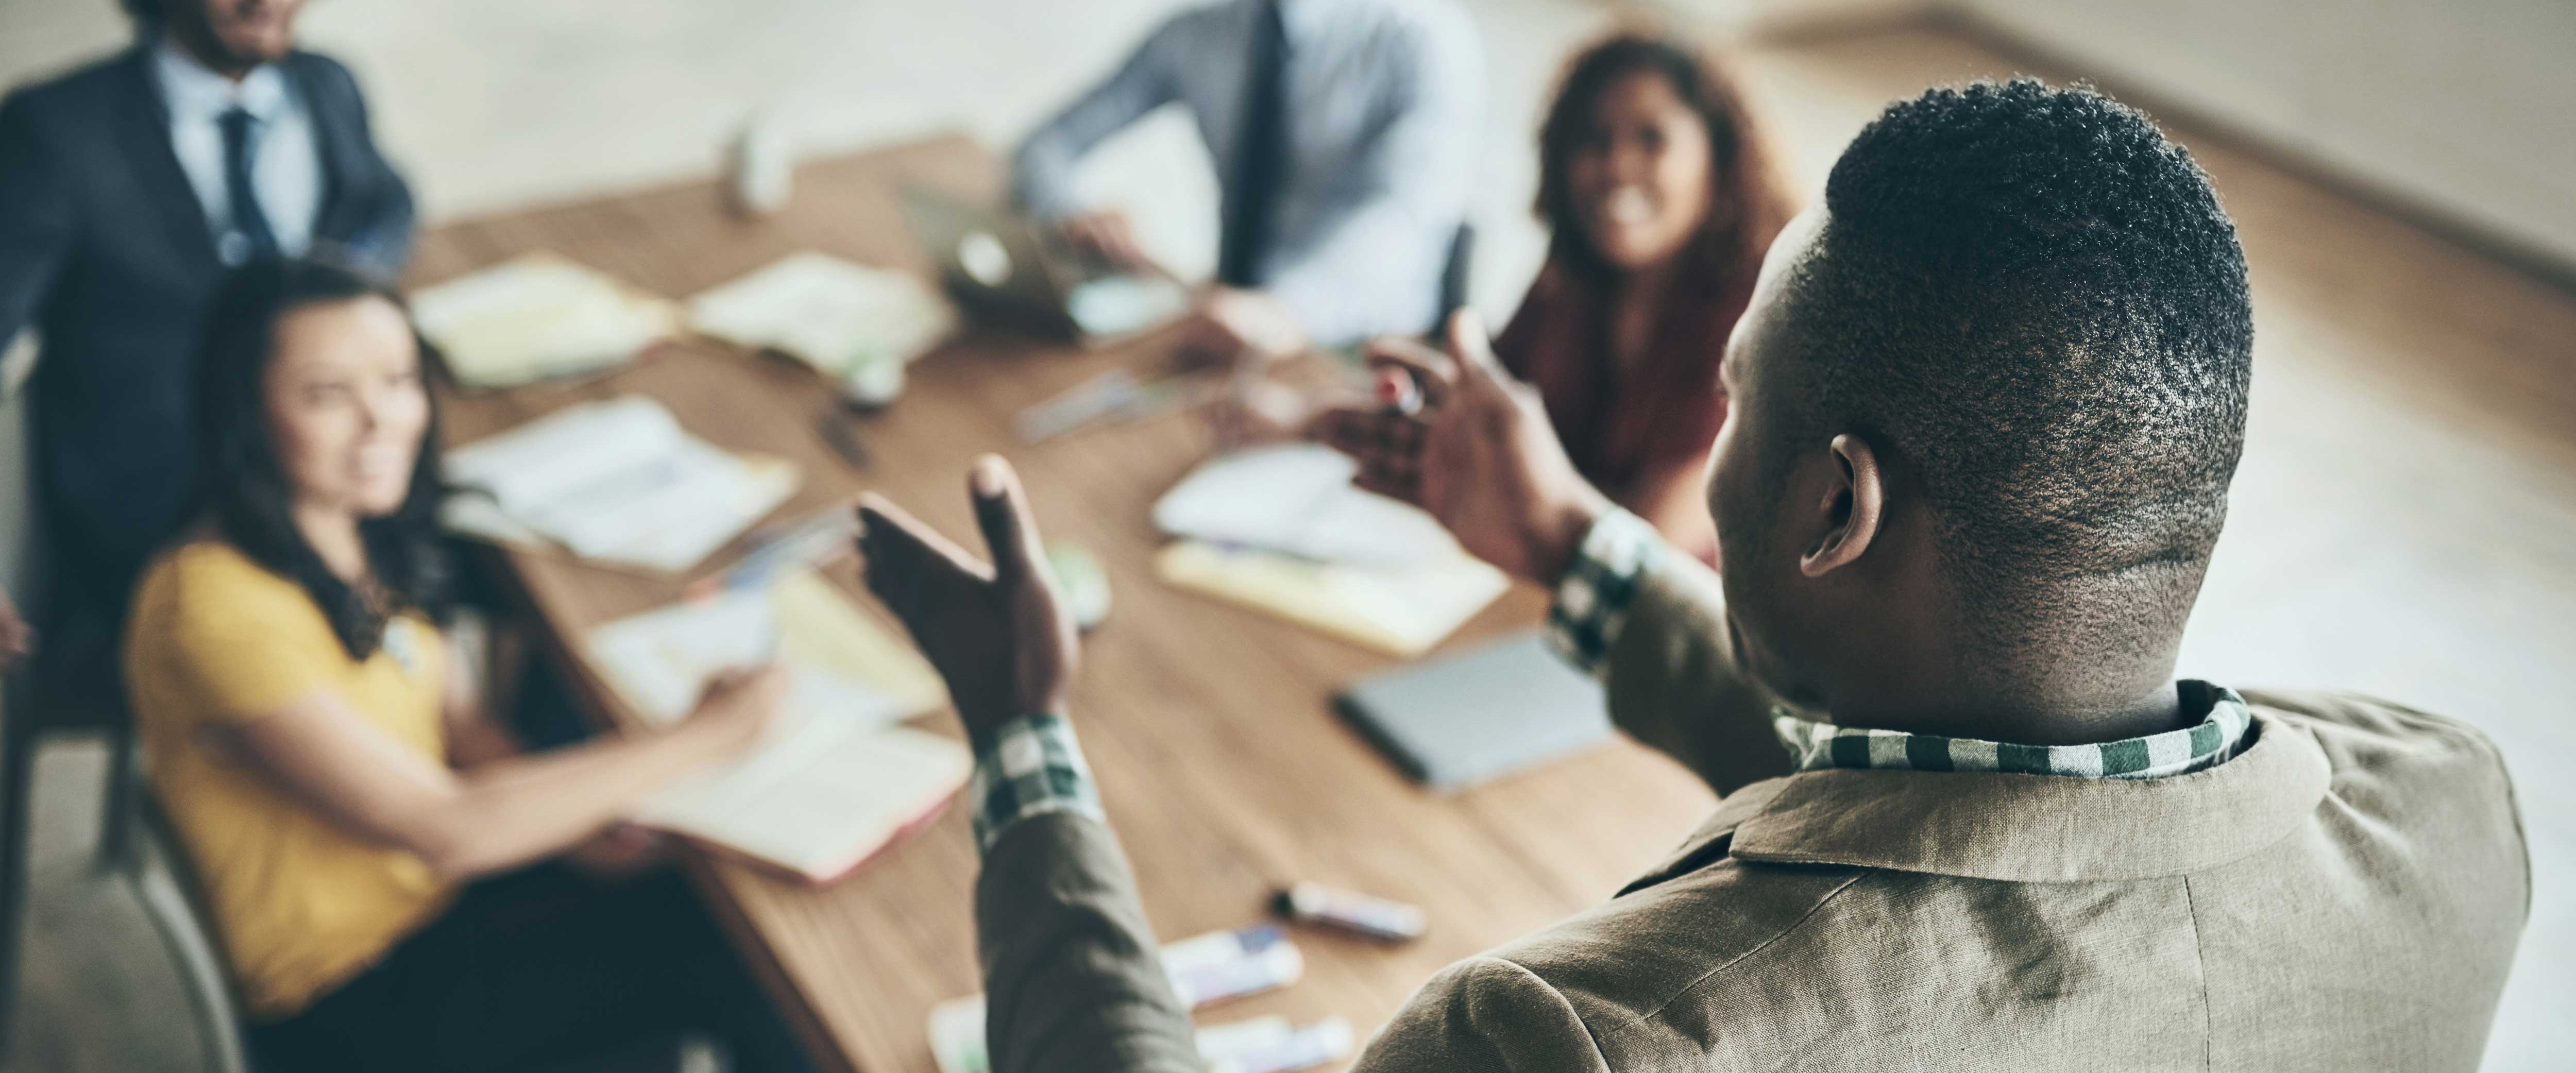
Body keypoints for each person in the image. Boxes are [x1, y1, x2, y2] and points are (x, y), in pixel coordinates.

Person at [856, 81, 2529, 1071]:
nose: (1715, 436)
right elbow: (1980, 827)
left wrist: (1025, 742)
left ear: (1831, 508)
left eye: (1740, 398)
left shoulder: (1579, 1039)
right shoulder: (2451, 810)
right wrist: (1568, 543)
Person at [122, 260, 811, 1073]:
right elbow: (446, 827)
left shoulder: (361, 533)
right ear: (247, 412)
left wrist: (591, 832)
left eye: (398, 380)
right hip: (352, 997)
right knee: (736, 961)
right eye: (327, 394)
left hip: (429, 901)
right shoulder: (212, 605)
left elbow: (464, 728)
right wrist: (703, 737)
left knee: (707, 905)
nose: (382, 420)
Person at [0, 0, 414, 656]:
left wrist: (348, 294)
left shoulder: (327, 84)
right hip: (168, 510)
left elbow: (387, 197)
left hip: (329, 474)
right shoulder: (57, 128)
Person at [1009, 0, 1482, 359]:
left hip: (1368, 345)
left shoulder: (1425, 43)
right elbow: (1042, 148)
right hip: (1229, 317)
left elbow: (1403, 218)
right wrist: (1071, 210)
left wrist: (1285, 309)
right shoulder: (1199, 33)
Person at [1494, 34, 1795, 561]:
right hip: (1538, 592)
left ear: (1718, 160)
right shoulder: (1567, 281)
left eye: (1650, 139)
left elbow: (1649, 543)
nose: (1615, 166)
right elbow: (1479, 408)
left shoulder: (1763, 314)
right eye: (1594, 140)